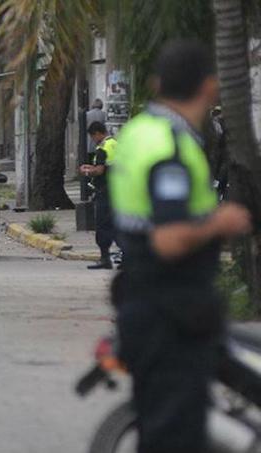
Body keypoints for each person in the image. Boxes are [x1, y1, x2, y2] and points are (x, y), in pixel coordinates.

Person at [110, 39, 252, 453]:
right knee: (174, 437)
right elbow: (170, 239)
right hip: (172, 313)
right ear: (210, 89)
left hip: (146, 300)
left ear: (156, 84)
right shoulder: (170, 146)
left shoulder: (138, 132)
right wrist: (220, 222)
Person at [80, 121, 117, 270]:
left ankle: (105, 258)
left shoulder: (102, 148)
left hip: (105, 191)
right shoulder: (115, 143)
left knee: (102, 224)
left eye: (92, 136)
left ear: (97, 133)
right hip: (119, 189)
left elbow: (100, 170)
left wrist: (87, 171)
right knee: (117, 223)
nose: (92, 140)